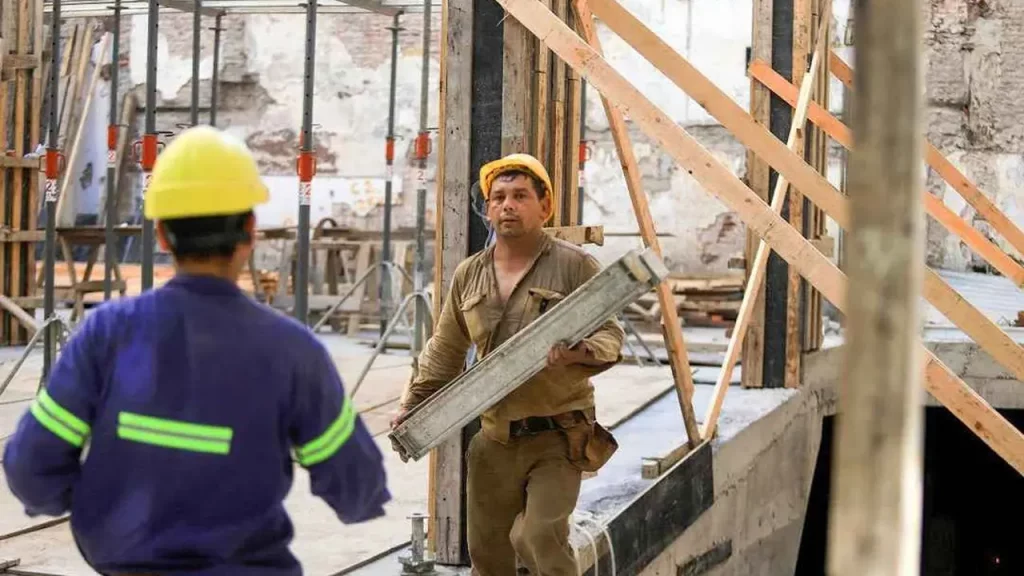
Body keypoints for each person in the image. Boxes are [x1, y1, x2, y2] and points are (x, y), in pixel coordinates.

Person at [3, 126, 391, 575]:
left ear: (163, 236)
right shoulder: (292, 351)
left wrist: (98, 506)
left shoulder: (106, 333)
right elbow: (357, 487)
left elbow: (30, 467)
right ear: (250, 232)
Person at [392, 153, 625, 576]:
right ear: (488, 208)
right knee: (489, 557)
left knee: (538, 535)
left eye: (520, 196)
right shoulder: (470, 274)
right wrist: (413, 406)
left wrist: (580, 352)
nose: (507, 205)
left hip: (559, 438)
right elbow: (445, 350)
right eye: (498, 197)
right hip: (494, 441)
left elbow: (611, 334)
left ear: (544, 206)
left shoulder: (574, 265)